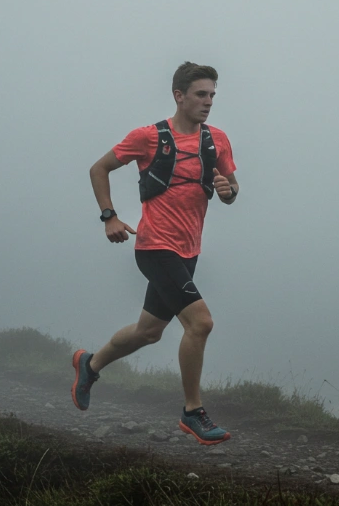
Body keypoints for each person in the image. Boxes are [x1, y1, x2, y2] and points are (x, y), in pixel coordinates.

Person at [71, 62, 239, 445]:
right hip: (154, 247)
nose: (208, 101)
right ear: (179, 96)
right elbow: (99, 168)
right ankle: (192, 413)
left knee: (148, 333)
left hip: (188, 251)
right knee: (201, 324)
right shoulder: (149, 137)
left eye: (212, 94)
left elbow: (231, 187)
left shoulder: (217, 140)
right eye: (201, 94)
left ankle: (89, 364)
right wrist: (109, 217)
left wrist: (229, 191)